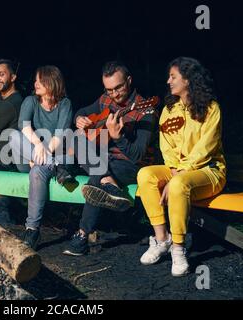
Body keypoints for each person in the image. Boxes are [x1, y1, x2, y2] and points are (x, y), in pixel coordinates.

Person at [137, 57, 226, 277]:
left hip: (208, 171)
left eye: (173, 76)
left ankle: (178, 248)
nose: (168, 81)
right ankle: (162, 239)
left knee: (177, 185)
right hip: (177, 170)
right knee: (145, 174)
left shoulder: (211, 108)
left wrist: (181, 173)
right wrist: (174, 170)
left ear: (188, 79)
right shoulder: (170, 109)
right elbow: (165, 145)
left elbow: (206, 147)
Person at [63, 61, 158, 256]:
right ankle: (109, 181)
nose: (114, 94)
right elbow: (83, 111)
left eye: (118, 87)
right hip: (104, 159)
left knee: (96, 177)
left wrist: (119, 138)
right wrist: (79, 119)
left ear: (129, 81)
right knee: (78, 139)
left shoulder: (146, 110)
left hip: (132, 165)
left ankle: (82, 236)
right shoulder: (106, 99)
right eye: (109, 90)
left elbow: (138, 155)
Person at [8, 65, 75, 249]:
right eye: (35, 80)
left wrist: (41, 156)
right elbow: (24, 127)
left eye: (40, 80)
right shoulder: (31, 101)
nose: (35, 83)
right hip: (27, 156)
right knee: (13, 136)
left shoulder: (65, 104)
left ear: (51, 81)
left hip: (42, 161)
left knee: (37, 171)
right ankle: (55, 167)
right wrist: (37, 145)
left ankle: (32, 230)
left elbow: (60, 135)